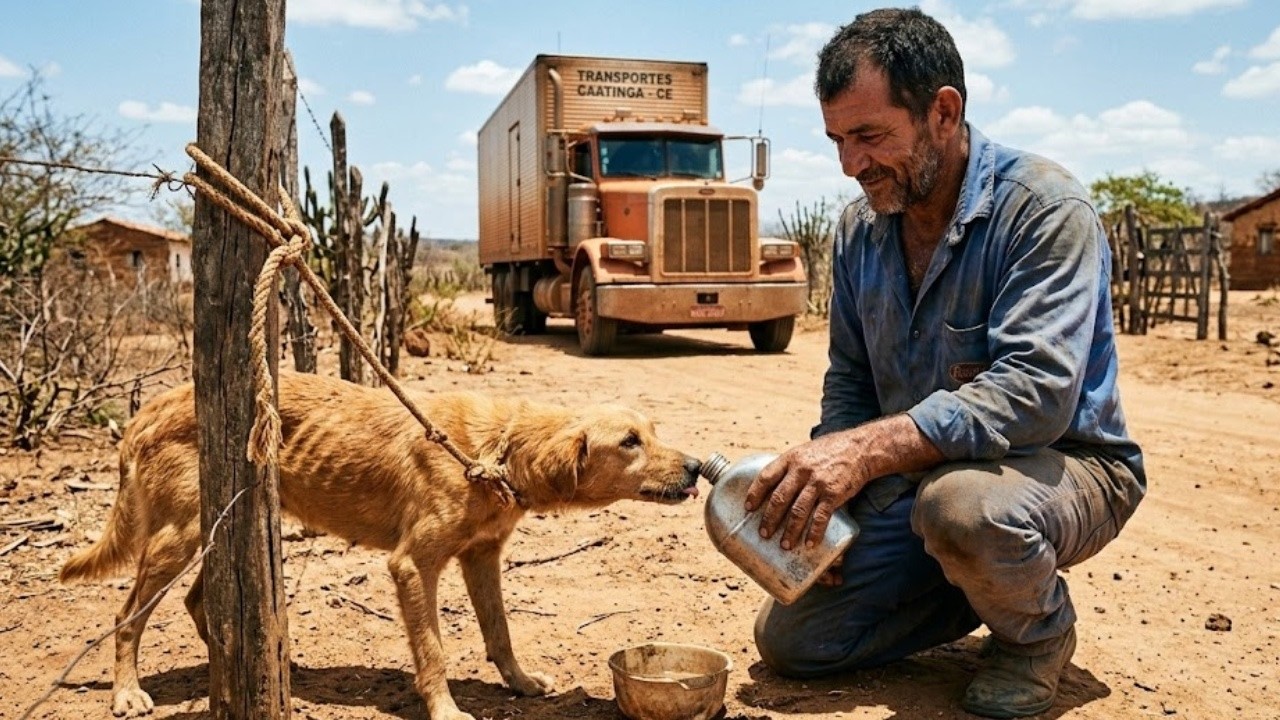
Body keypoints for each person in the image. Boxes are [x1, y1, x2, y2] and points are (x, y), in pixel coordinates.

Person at [743, 7, 1145, 719]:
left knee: (962, 507)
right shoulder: (859, 231)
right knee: (796, 642)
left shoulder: (1045, 209)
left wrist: (863, 456)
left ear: (943, 112)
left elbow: (1035, 395)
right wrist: (840, 499)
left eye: (869, 136)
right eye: (838, 140)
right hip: (920, 485)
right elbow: (851, 382)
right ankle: (975, 583)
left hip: (1065, 469)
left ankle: (1036, 638)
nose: (850, 164)